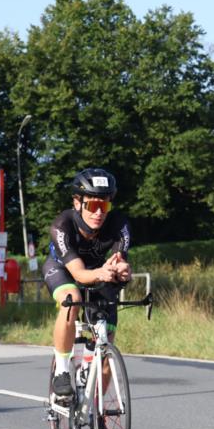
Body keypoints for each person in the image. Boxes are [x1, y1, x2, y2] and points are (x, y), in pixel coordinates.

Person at [44, 168, 131, 398]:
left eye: (105, 205)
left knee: (105, 341)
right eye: (93, 205)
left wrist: (122, 271)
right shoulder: (61, 226)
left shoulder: (119, 224)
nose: (99, 213)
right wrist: (104, 273)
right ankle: (62, 370)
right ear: (77, 202)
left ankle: (96, 413)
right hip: (64, 269)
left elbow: (118, 262)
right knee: (72, 299)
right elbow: (80, 274)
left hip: (99, 272)